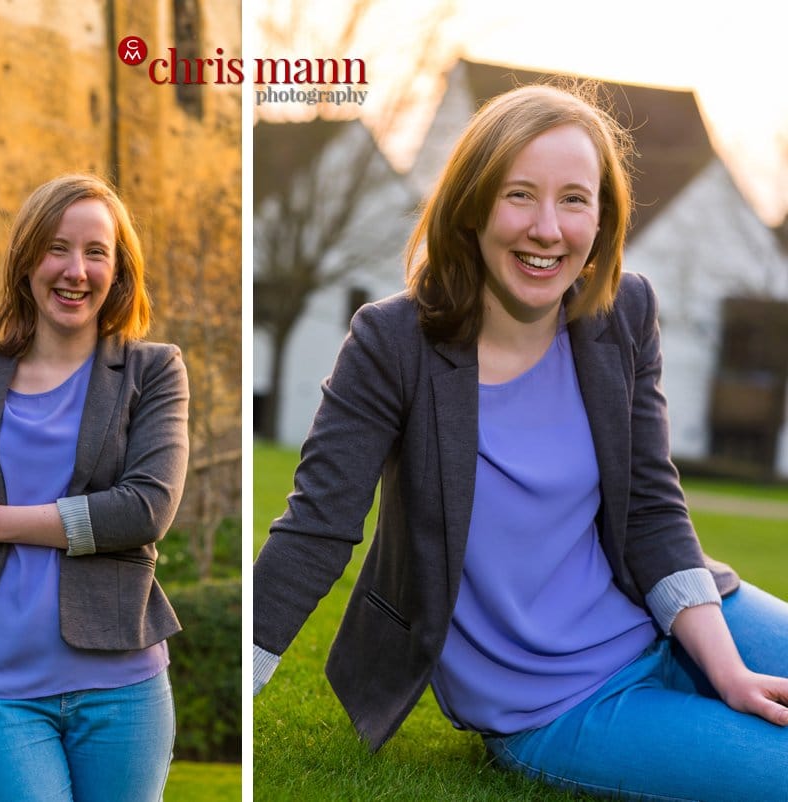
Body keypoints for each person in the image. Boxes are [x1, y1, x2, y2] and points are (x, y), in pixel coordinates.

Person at [252, 82, 788, 800]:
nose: (547, 229)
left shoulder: (623, 314)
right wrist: (236, 683)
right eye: (519, 195)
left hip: (680, 615)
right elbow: (317, 527)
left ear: (602, 218)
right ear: (471, 206)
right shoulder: (393, 343)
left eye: (574, 199)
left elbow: (652, 510)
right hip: (554, 700)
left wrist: (726, 670)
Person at [0, 173, 189, 802]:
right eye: (56, 248)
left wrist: (2, 524)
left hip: (122, 683)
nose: (75, 270)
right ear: (27, 260)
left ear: (118, 270)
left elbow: (145, 508)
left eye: (95, 252)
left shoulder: (153, 370)